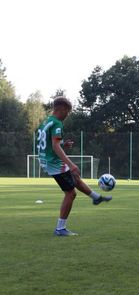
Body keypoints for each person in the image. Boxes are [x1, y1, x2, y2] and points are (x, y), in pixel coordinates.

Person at [35, 97, 112, 236]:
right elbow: (55, 146)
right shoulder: (57, 123)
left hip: (46, 159)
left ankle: (96, 198)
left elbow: (49, 143)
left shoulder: (46, 121)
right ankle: (60, 229)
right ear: (62, 109)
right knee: (71, 193)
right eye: (68, 111)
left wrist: (63, 145)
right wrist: (71, 164)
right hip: (54, 163)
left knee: (75, 178)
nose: (68, 115)